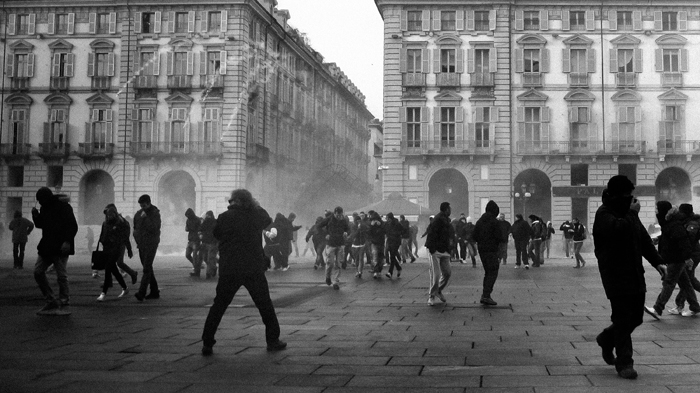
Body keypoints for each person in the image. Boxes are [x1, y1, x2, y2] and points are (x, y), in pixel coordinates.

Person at [593, 175, 665, 379]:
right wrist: (631, 214)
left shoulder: (629, 214)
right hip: (614, 274)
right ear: (617, 194)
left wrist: (657, 261)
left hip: (635, 272)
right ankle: (625, 363)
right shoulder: (604, 213)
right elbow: (617, 232)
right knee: (623, 318)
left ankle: (607, 338)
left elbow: (643, 238)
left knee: (636, 318)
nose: (630, 198)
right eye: (627, 194)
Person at [201, 189, 286, 355]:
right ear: (249, 201)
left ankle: (207, 342)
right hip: (252, 268)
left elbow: (217, 234)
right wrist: (254, 205)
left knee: (219, 305)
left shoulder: (224, 217)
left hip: (229, 268)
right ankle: (273, 340)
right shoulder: (255, 215)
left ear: (233, 201)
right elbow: (267, 219)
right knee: (265, 304)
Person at [644, 201, 700, 319]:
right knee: (686, 283)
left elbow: (684, 241)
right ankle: (695, 306)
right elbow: (671, 237)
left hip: (677, 258)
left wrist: (687, 258)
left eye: (657, 209)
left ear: (663, 210)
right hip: (676, 257)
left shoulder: (674, 224)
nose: (656, 211)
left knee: (669, 283)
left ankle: (658, 308)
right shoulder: (669, 222)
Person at [32, 187, 78, 315]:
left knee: (61, 275)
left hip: (60, 246)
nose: (39, 203)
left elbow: (72, 225)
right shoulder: (44, 207)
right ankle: (51, 299)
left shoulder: (64, 207)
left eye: (40, 200)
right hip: (47, 245)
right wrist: (36, 216)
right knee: (38, 272)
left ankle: (64, 299)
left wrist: (67, 241)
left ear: (45, 198)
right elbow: (41, 224)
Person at [96, 205, 133, 301]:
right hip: (107, 249)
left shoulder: (120, 223)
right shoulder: (105, 223)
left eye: (111, 214)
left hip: (115, 249)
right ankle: (125, 288)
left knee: (108, 268)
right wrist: (101, 244)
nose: (109, 216)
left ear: (115, 214)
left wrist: (129, 249)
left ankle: (103, 293)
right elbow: (102, 236)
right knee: (114, 270)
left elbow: (125, 237)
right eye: (108, 215)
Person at [473, 201, 506, 306]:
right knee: (493, 272)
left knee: (488, 271)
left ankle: (485, 295)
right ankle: (486, 295)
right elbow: (500, 237)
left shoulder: (480, 221)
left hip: (482, 250)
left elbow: (474, 236)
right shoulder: (494, 222)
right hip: (492, 250)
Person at [670, 204, 700, 314]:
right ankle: (681, 304)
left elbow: (688, 238)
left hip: (692, 254)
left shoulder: (692, 223)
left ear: (685, 212)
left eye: (680, 211)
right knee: (688, 280)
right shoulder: (686, 221)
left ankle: (681, 304)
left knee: (687, 280)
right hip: (689, 254)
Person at [133, 194, 161, 302]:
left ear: (149, 203)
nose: (142, 207)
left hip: (151, 244)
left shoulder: (155, 214)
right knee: (148, 267)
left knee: (146, 268)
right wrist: (137, 240)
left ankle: (141, 293)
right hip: (141, 244)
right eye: (141, 205)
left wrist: (147, 218)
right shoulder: (138, 214)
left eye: (144, 205)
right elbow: (135, 228)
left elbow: (154, 228)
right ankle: (154, 291)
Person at [425, 202, 453, 306]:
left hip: (444, 250)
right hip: (436, 250)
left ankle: (438, 290)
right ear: (446, 209)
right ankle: (431, 296)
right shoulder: (437, 220)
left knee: (447, 273)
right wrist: (432, 249)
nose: (450, 210)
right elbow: (431, 234)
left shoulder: (446, 220)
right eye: (449, 209)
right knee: (435, 275)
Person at [317, 206, 350, 289]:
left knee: (338, 263)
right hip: (331, 244)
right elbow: (318, 226)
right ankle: (328, 277)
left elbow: (348, 229)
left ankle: (336, 281)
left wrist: (346, 232)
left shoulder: (343, 220)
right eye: (338, 215)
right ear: (334, 213)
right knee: (330, 263)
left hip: (340, 243)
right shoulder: (329, 219)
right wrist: (325, 234)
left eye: (341, 214)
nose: (339, 216)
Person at [199, 211, 218, 279]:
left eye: (208, 215)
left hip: (212, 242)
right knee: (206, 258)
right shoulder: (205, 222)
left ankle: (208, 273)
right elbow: (200, 229)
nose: (207, 217)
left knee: (209, 258)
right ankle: (213, 267)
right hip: (206, 242)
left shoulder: (215, 222)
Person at [384, 212, 403, 279]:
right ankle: (398, 268)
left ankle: (390, 272)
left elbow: (402, 231)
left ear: (390, 218)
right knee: (392, 256)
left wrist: (396, 234)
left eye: (387, 218)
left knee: (392, 256)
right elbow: (384, 230)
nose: (387, 219)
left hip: (396, 241)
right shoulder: (386, 224)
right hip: (390, 241)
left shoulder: (397, 224)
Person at [185, 208, 203, 277]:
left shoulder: (197, 220)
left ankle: (197, 271)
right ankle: (196, 266)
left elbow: (200, 228)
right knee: (187, 255)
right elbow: (186, 228)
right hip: (190, 240)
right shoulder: (188, 220)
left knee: (195, 257)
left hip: (196, 240)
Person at [368, 211, 386, 278]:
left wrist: (380, 225)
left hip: (380, 242)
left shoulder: (382, 223)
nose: (375, 221)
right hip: (374, 242)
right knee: (375, 256)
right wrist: (371, 226)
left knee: (380, 257)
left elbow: (385, 231)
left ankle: (379, 270)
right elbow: (368, 233)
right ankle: (376, 271)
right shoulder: (371, 224)